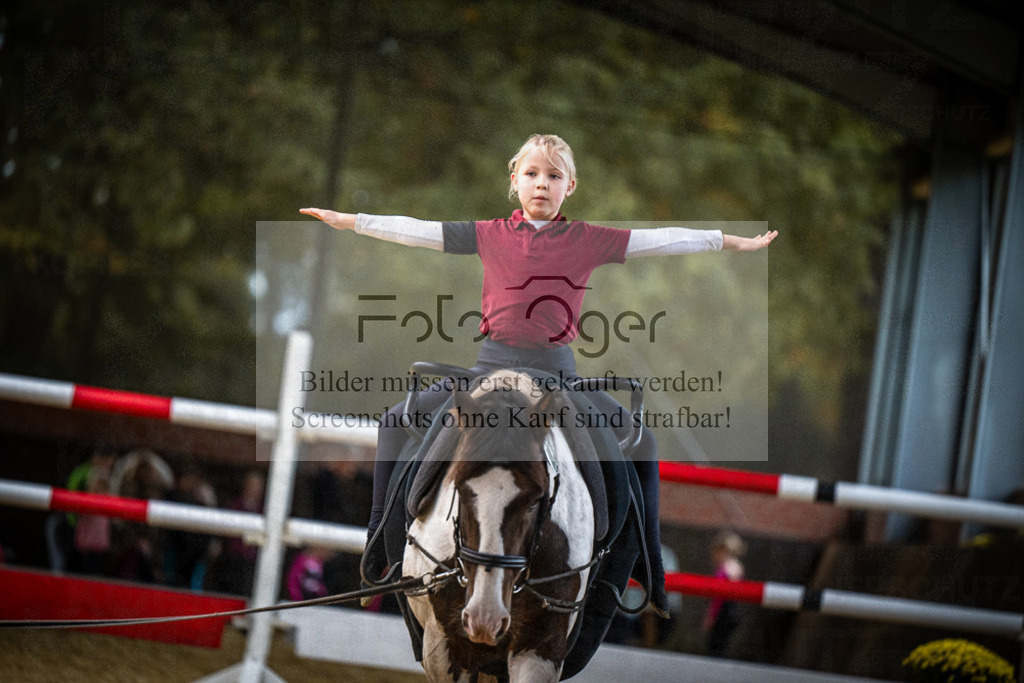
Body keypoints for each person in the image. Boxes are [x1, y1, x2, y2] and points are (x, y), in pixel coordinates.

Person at [301, 133, 777, 611]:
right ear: (515, 180)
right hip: (489, 367)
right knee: (391, 423)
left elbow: (662, 240)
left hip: (557, 377)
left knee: (644, 441)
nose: (541, 184)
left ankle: (647, 565)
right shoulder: (488, 233)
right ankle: (380, 553)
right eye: (531, 174)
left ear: (570, 186)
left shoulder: (588, 238)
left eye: (553, 176)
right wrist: (352, 221)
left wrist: (727, 240)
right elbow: (419, 230)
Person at [702, 530, 747, 657]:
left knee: (715, 645)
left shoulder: (724, 569)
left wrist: (710, 616)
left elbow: (718, 596)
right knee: (723, 644)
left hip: (722, 611)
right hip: (734, 611)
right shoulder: (738, 567)